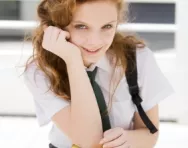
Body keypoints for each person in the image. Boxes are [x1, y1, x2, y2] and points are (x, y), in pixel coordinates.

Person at [23, 0, 174, 148]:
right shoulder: (40, 72)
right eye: (81, 26)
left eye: (107, 26)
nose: (95, 41)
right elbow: (89, 142)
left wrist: (129, 139)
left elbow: (150, 133)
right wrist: (73, 61)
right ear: (55, 27)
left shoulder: (137, 58)